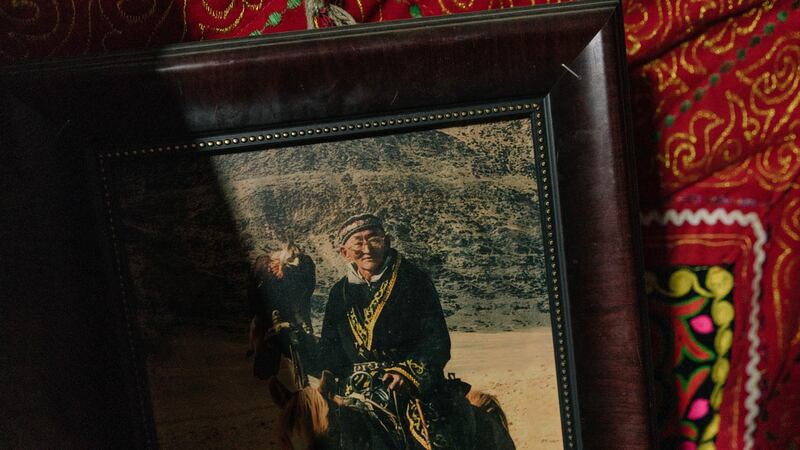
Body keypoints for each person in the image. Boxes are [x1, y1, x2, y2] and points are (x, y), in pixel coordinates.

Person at [318, 214, 467, 449]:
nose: (367, 249)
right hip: (352, 392)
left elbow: (436, 340)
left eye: (373, 239)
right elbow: (330, 347)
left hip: (406, 390)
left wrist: (406, 373)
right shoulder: (339, 293)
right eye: (358, 242)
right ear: (345, 252)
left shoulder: (414, 280)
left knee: (434, 443)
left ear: (386, 242)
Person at [248, 242, 318, 386]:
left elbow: (304, 300)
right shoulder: (265, 268)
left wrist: (307, 327)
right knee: (262, 328)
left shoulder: (305, 267)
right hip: (266, 306)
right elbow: (256, 303)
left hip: (288, 306)